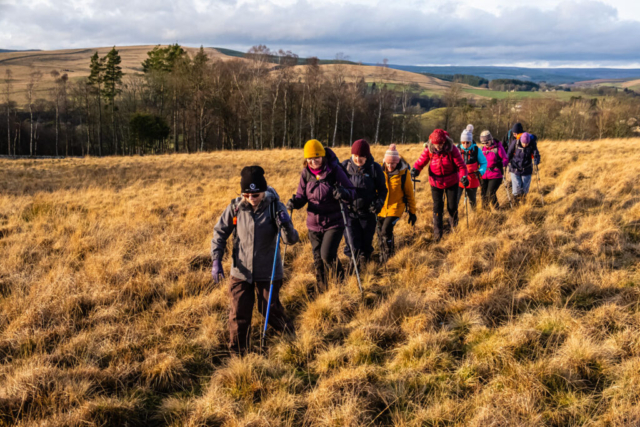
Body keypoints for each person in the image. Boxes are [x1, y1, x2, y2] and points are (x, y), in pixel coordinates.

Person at [211, 166, 299, 355]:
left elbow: (290, 240)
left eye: (256, 193)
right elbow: (219, 233)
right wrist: (216, 259)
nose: (252, 197)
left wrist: (285, 223)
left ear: (264, 190)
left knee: (270, 308)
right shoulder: (235, 207)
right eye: (247, 193)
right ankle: (238, 353)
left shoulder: (275, 206)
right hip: (240, 272)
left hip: (268, 271)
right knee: (238, 313)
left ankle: (291, 339)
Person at [286, 139, 355, 294]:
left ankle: (340, 284)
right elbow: (301, 196)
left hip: (334, 222)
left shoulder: (335, 171)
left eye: (316, 157)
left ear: (323, 156)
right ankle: (322, 291)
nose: (313, 161)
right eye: (309, 158)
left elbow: (352, 192)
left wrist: (343, 193)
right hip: (313, 224)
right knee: (318, 260)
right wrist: (295, 203)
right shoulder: (306, 173)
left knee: (327, 255)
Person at [411, 129, 469, 241]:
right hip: (435, 182)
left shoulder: (453, 149)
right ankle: (437, 234)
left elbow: (461, 166)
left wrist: (464, 177)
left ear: (445, 141)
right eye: (436, 145)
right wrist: (415, 170)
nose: (438, 147)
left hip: (452, 181)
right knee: (437, 207)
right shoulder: (429, 149)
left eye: (441, 144)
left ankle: (454, 229)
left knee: (452, 206)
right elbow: (421, 161)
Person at [341, 139, 387, 268]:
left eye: (361, 157)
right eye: (355, 156)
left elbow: (383, 190)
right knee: (351, 242)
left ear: (367, 156)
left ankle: (365, 263)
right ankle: (353, 266)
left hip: (368, 213)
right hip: (349, 212)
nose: (358, 160)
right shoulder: (345, 166)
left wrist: (379, 203)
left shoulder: (375, 168)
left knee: (366, 243)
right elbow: (336, 184)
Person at [377, 143, 416, 262]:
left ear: (397, 162)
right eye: (388, 163)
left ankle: (389, 256)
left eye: (393, 163)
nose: (390, 166)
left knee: (386, 230)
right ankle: (382, 254)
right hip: (381, 208)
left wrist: (412, 212)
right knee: (379, 231)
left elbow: (410, 194)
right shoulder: (379, 171)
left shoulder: (404, 174)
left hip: (396, 207)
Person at [456, 125, 487, 210]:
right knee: (455, 200)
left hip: (472, 179)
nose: (465, 144)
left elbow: (484, 163)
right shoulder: (456, 149)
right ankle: (454, 218)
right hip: (458, 179)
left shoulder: (476, 150)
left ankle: (473, 216)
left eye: (467, 142)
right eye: (463, 142)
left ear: (471, 141)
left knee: (472, 200)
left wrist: (480, 171)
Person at [507, 132, 541, 205]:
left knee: (525, 189)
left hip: (527, 169)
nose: (525, 145)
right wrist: (506, 162)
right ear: (521, 140)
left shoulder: (532, 144)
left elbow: (536, 154)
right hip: (515, 168)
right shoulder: (515, 143)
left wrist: (536, 160)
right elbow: (509, 154)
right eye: (523, 143)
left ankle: (523, 202)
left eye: (527, 143)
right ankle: (516, 204)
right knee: (517, 188)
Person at [479, 130, 509, 210]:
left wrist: (502, 164)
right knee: (483, 194)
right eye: (483, 143)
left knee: (490, 194)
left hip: (496, 174)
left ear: (491, 139)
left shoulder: (498, 148)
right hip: (484, 175)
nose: (485, 144)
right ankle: (486, 211)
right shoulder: (481, 149)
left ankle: (497, 210)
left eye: (487, 142)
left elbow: (505, 159)